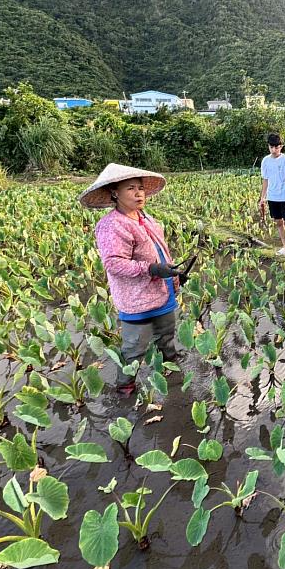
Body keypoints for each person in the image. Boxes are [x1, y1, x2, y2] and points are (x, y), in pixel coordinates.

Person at [79, 163, 182, 397]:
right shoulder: (111, 225)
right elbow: (114, 263)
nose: (139, 193)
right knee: (134, 348)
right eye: (131, 189)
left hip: (162, 292)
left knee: (166, 336)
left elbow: (159, 249)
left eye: (141, 188)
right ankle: (125, 388)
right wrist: (152, 268)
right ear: (115, 192)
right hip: (137, 299)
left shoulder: (145, 218)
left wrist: (172, 275)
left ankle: (171, 367)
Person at [259, 133, 285, 258]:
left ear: (281, 147)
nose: (273, 150)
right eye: (271, 147)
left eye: (276, 147)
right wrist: (262, 197)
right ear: (269, 147)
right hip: (272, 197)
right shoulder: (265, 161)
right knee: (279, 223)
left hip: (284, 197)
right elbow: (265, 180)